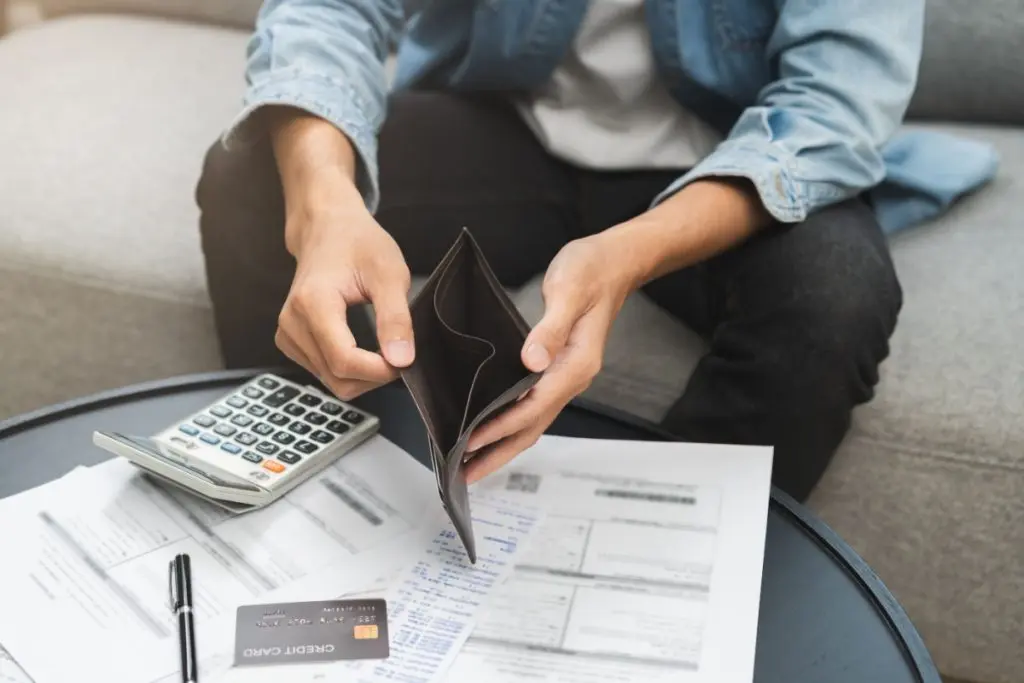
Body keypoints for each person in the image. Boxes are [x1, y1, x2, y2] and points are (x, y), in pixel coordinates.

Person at [195, 0, 984, 502]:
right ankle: (326, 502)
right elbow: (326, 12)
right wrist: (327, 207)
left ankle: (668, 577)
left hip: (728, 155)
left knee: (832, 299)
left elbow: (834, 109)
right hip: (513, 124)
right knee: (256, 177)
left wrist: (627, 254)